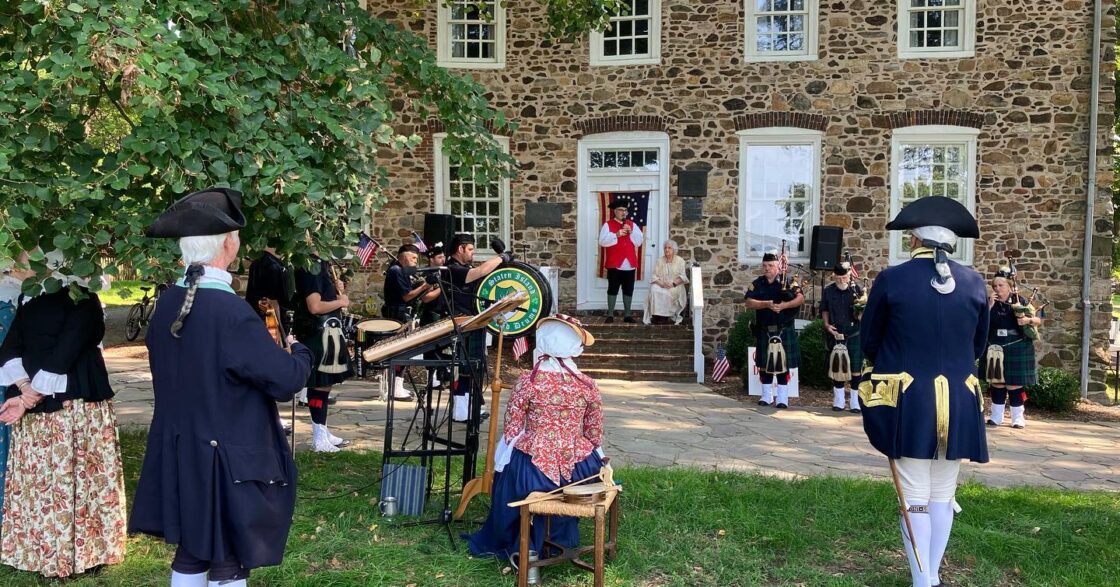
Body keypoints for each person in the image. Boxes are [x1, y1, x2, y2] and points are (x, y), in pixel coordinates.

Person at [130, 187, 314, 587]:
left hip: (184, 448)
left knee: (194, 549)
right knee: (229, 555)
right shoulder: (231, 312)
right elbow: (286, 380)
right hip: (228, 456)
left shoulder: (168, 304)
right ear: (229, 244)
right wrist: (300, 353)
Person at [859, 196, 989, 587]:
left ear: (914, 239)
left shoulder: (891, 279)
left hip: (909, 399)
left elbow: (869, 341)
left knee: (914, 492)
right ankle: (930, 575)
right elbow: (977, 345)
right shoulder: (975, 281)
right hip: (962, 399)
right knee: (942, 493)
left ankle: (923, 579)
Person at [0, 250, 126, 578]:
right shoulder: (33, 298)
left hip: (74, 407)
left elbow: (66, 351)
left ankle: (78, 555)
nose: (17, 264)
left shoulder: (80, 298)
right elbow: (11, 347)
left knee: (75, 479)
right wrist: (24, 389)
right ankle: (51, 555)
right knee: (55, 482)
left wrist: (27, 395)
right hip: (48, 409)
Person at [465, 314, 604, 559]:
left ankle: (523, 541)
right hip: (578, 468)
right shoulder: (588, 385)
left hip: (534, 466)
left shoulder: (528, 381)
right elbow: (594, 433)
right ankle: (559, 538)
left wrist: (509, 453)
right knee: (588, 463)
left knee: (511, 473)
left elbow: (512, 427)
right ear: (573, 347)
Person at [293, 252, 353, 452]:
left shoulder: (321, 264)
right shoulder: (311, 265)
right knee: (319, 383)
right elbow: (315, 306)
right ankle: (318, 436)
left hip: (327, 332)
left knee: (325, 384)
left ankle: (322, 429)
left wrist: (335, 294)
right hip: (318, 333)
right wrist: (341, 302)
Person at [446, 233, 509, 421]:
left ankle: (469, 406)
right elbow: (479, 272)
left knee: (475, 367)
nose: (473, 253)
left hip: (473, 322)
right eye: (471, 249)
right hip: (460, 323)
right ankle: (459, 409)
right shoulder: (452, 268)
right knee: (463, 367)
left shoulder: (463, 267)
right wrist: (501, 257)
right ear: (460, 249)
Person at [245, 245, 298, 432]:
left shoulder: (258, 263)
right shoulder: (274, 267)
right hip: (270, 323)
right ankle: (271, 417)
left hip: (257, 322)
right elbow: (279, 300)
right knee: (269, 370)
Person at [979, 268, 1040, 429]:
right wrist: (990, 306)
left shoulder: (1021, 301)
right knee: (997, 382)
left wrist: (1026, 320)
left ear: (1009, 285)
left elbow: (1038, 320)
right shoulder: (989, 302)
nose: (997, 289)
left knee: (1014, 383)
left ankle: (1017, 417)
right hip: (995, 345)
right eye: (995, 286)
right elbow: (980, 322)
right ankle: (996, 416)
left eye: (1001, 285)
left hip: (1017, 343)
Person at [744, 251, 803, 408]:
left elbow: (800, 298)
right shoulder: (757, 283)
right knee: (764, 365)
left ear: (778, 266)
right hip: (764, 329)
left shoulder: (788, 281)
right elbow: (749, 302)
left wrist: (784, 305)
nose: (767, 268)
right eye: (764, 265)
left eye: (770, 265)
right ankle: (766, 395)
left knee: (783, 364)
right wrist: (767, 304)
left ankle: (783, 398)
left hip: (783, 328)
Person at [382, 243, 441, 400]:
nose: (416, 261)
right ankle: (395, 389)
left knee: (404, 352)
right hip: (397, 316)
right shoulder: (396, 271)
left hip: (402, 315)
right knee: (400, 352)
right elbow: (406, 296)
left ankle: (398, 387)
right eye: (413, 257)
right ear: (404, 256)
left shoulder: (401, 270)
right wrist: (425, 285)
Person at [820, 261, 863, 413]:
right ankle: (838, 400)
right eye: (838, 277)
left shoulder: (856, 290)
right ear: (834, 276)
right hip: (836, 333)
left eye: (844, 277)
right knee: (838, 366)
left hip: (854, 334)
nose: (841, 280)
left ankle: (855, 401)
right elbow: (824, 309)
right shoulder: (828, 291)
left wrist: (860, 314)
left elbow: (862, 312)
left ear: (849, 275)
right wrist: (826, 325)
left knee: (856, 369)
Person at [598, 199, 644, 323]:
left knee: (628, 289)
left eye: (625, 210)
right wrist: (616, 234)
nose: (623, 212)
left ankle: (627, 314)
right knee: (613, 288)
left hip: (629, 263)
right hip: (614, 263)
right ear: (615, 211)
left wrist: (631, 231)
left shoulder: (632, 224)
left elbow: (639, 242)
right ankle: (610, 314)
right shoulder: (608, 225)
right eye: (621, 210)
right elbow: (602, 241)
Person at [643, 239, 689, 325]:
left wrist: (673, 283)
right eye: (665, 248)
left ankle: (665, 317)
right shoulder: (660, 260)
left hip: (675, 285)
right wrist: (661, 283)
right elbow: (654, 276)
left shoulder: (680, 261)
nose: (666, 250)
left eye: (669, 248)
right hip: (662, 283)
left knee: (668, 292)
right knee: (654, 289)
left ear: (674, 250)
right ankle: (656, 316)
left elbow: (683, 276)